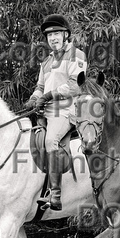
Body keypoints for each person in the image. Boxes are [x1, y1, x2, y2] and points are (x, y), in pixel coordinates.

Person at [24, 14, 86, 210]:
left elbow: (76, 86)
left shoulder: (77, 55)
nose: (53, 38)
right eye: (49, 35)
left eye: (57, 34)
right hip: (45, 111)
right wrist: (34, 98)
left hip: (66, 110)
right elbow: (40, 86)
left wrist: (49, 95)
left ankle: (55, 195)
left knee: (51, 140)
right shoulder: (46, 61)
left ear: (66, 34)